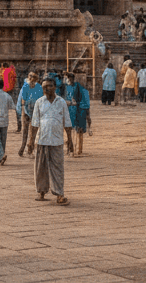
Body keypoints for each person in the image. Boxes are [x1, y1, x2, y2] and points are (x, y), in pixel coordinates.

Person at [30, 75, 72, 204]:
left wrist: (70, 140)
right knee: (40, 168)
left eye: (49, 86)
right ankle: (41, 191)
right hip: (42, 139)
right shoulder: (39, 102)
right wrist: (30, 141)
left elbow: (67, 122)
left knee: (58, 168)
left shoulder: (61, 102)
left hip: (57, 140)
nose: (46, 89)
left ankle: (59, 194)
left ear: (55, 87)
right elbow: (34, 123)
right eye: (44, 87)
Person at [63, 72, 91, 156]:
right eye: (68, 78)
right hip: (69, 110)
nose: (69, 80)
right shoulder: (65, 87)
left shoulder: (78, 87)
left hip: (77, 109)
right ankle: (70, 148)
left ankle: (79, 149)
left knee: (79, 130)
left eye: (70, 78)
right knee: (68, 131)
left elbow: (82, 100)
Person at [17, 72, 43, 157]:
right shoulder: (25, 86)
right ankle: (23, 147)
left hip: (35, 111)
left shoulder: (39, 87)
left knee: (33, 132)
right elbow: (23, 100)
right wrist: (23, 111)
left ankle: (30, 149)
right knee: (25, 131)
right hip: (26, 110)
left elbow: (40, 100)